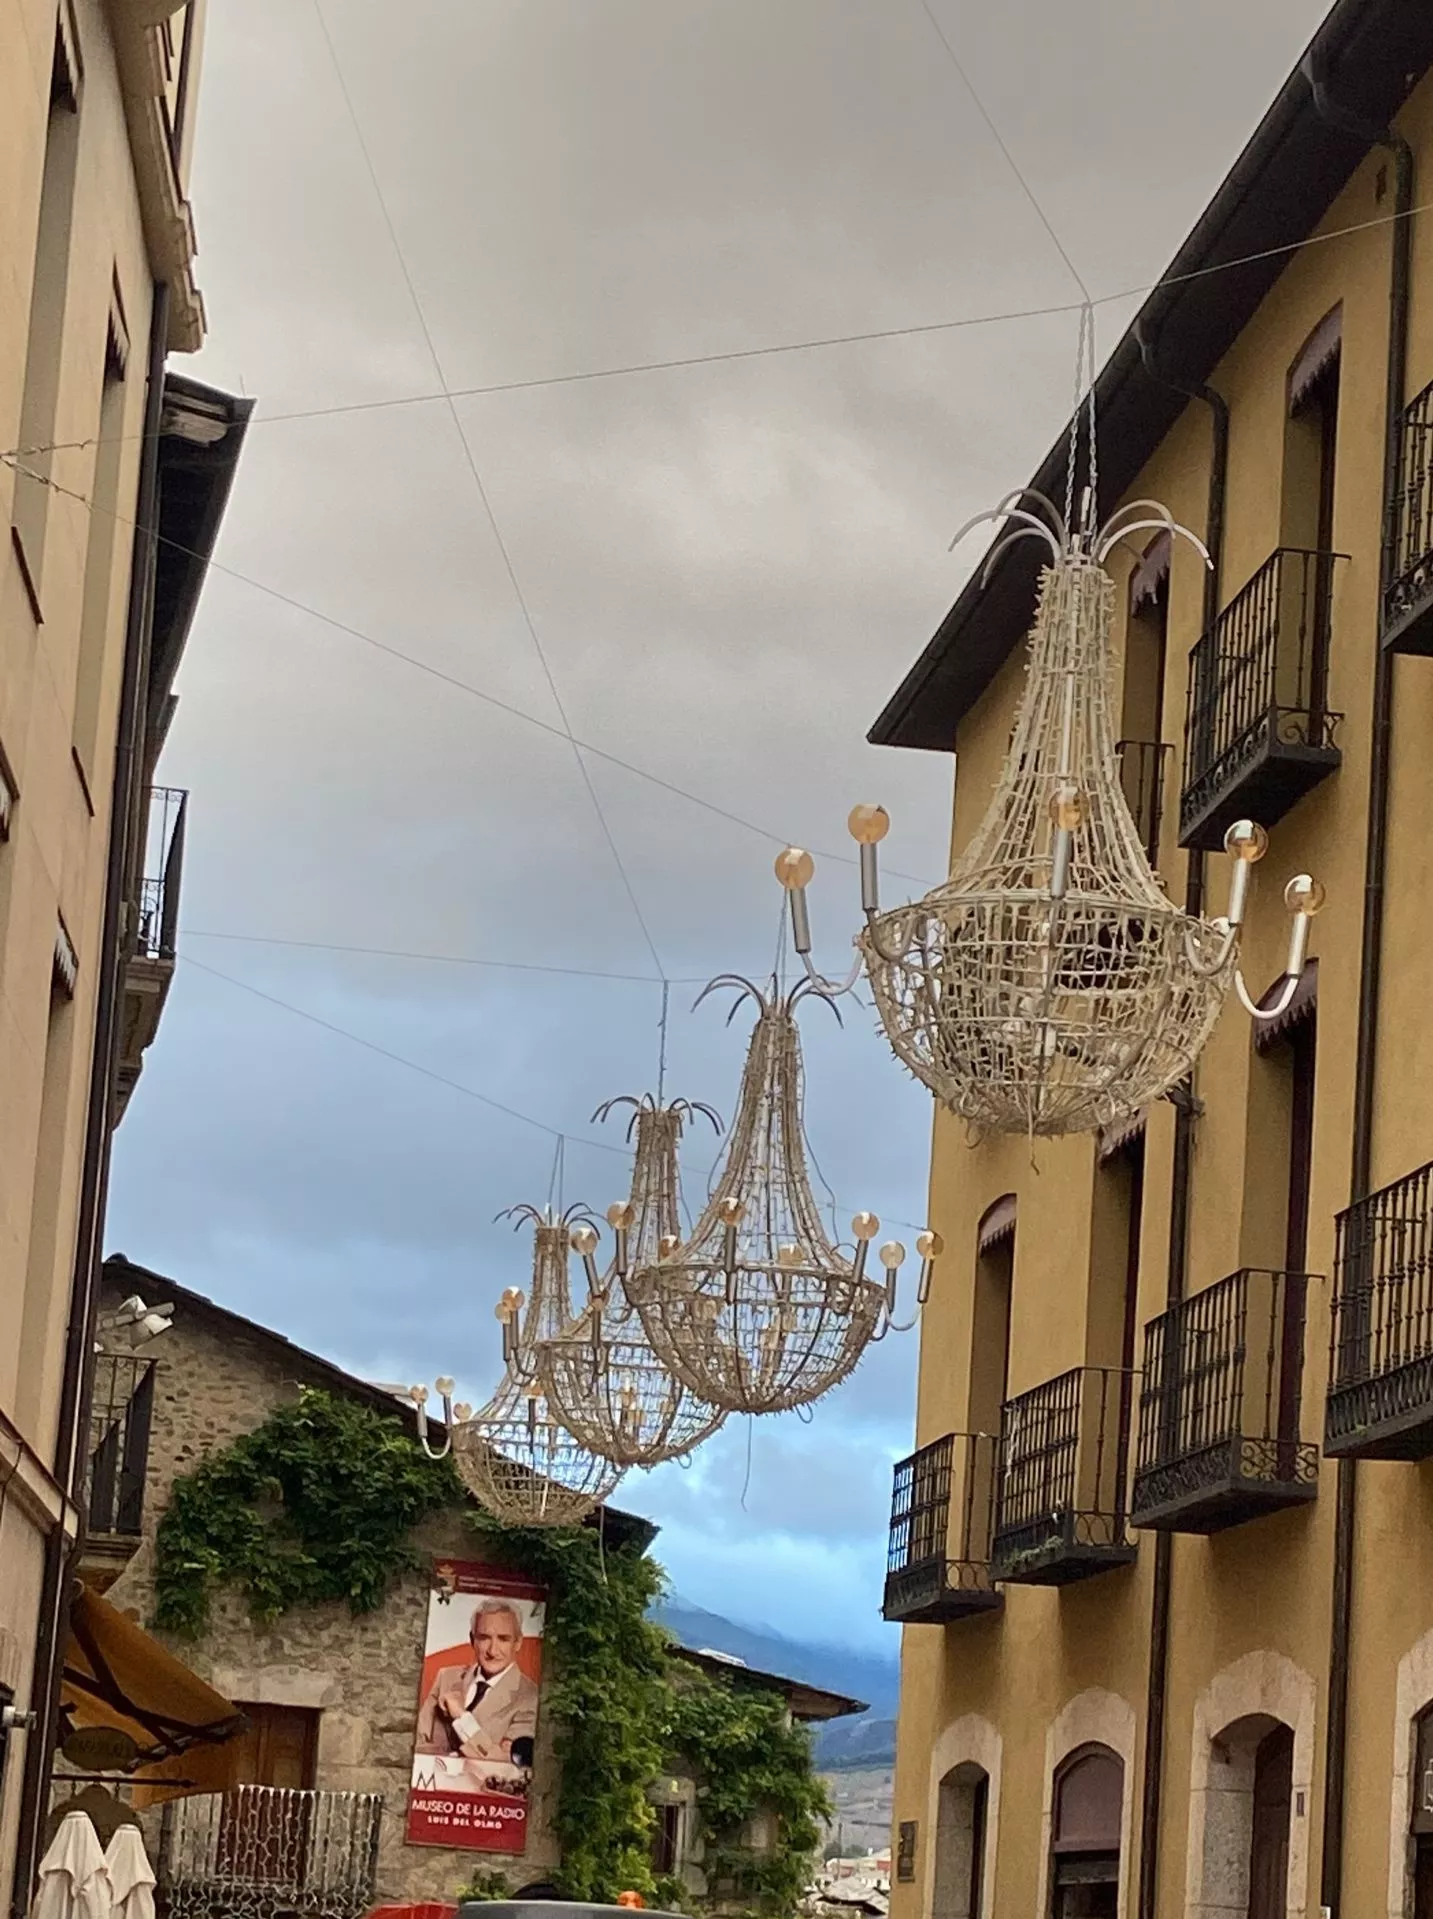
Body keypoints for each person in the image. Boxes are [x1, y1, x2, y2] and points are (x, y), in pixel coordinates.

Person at [415, 1600, 539, 1765]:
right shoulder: (447, 1677)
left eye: (503, 1639)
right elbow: (417, 1742)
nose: (492, 1651)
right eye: (484, 1638)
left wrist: (461, 1716)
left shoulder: (529, 1697)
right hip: (431, 1785)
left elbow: (508, 1764)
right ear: (473, 1640)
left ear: (517, 1643)